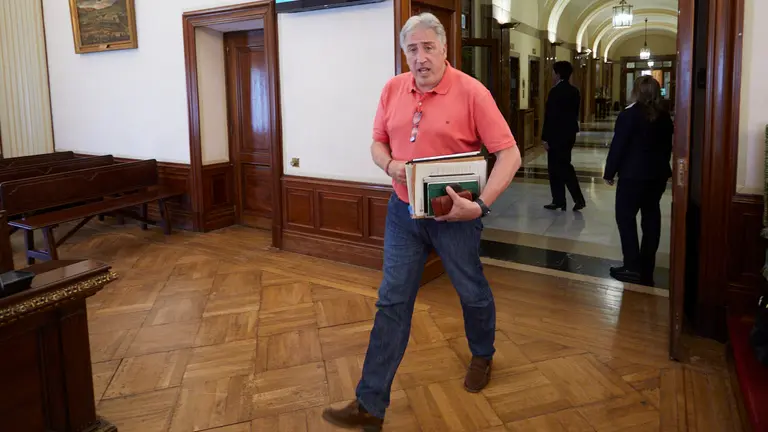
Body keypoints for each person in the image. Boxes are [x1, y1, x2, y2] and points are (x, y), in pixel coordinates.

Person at [322, 12, 521, 431]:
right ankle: (370, 405)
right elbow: (377, 142)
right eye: (412, 49)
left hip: (457, 216)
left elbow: (509, 154)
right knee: (392, 302)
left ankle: (482, 353)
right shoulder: (392, 89)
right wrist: (389, 164)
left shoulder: (473, 92)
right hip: (403, 213)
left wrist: (481, 206)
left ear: (444, 49)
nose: (420, 57)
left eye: (428, 47)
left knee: (471, 292)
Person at [603, 76, 673, 286]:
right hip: (657, 176)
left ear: (636, 92)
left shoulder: (629, 115)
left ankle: (632, 265)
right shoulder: (665, 117)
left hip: (632, 176)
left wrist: (609, 172)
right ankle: (647, 264)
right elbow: (667, 147)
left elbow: (619, 145)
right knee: (651, 218)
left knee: (625, 218)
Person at [541, 61, 586, 211]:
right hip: (569, 134)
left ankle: (568, 199)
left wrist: (545, 137)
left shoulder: (555, 92)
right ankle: (561, 200)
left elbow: (550, 116)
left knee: (558, 168)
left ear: (558, 74)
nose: (552, 75)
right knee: (564, 165)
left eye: (553, 72)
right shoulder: (575, 91)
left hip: (556, 135)